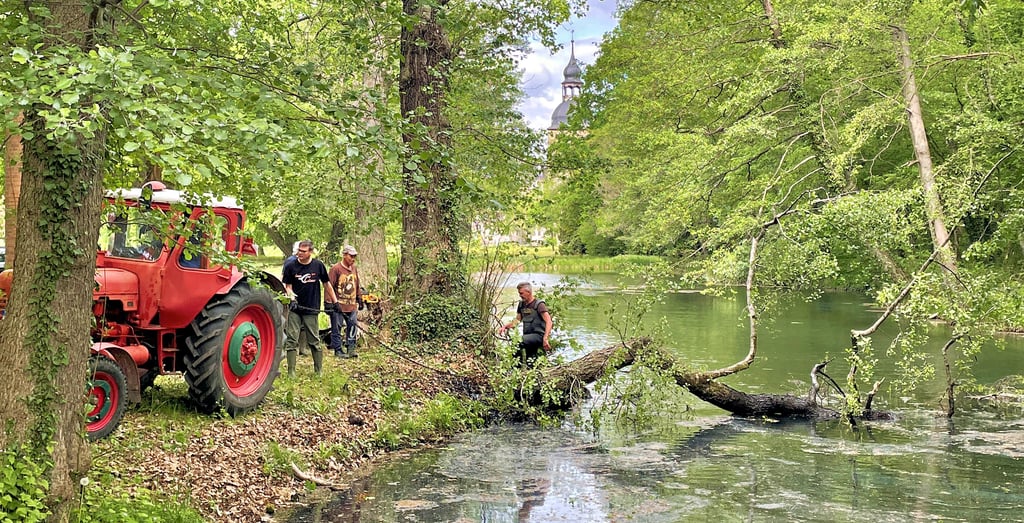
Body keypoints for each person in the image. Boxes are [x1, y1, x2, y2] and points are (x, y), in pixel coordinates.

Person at [282, 240, 338, 377]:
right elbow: (287, 286)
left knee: (314, 340)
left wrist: (335, 302)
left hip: (311, 308)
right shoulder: (290, 266)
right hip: (295, 308)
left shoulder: (318, 266)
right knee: (291, 340)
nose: (299, 253)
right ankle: (291, 371)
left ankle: (318, 370)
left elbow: (327, 284)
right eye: (299, 250)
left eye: (303, 251)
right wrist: (292, 298)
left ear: (310, 252)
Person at [498, 282, 553, 365]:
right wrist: (505, 327)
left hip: (538, 336)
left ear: (529, 292)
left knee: (518, 342)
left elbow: (549, 321)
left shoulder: (539, 305)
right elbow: (517, 321)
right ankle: (519, 372)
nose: (520, 295)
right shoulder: (521, 305)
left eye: (521, 293)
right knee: (530, 360)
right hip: (528, 337)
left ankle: (515, 367)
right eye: (519, 293)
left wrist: (545, 338)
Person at [328, 245, 363, 358]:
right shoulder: (336, 269)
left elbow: (356, 284)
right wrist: (329, 302)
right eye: (351, 256)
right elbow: (329, 286)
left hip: (351, 305)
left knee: (352, 326)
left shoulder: (354, 268)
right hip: (339, 305)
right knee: (336, 327)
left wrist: (359, 298)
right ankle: (338, 349)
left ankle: (351, 347)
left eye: (354, 257)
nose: (353, 259)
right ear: (344, 255)